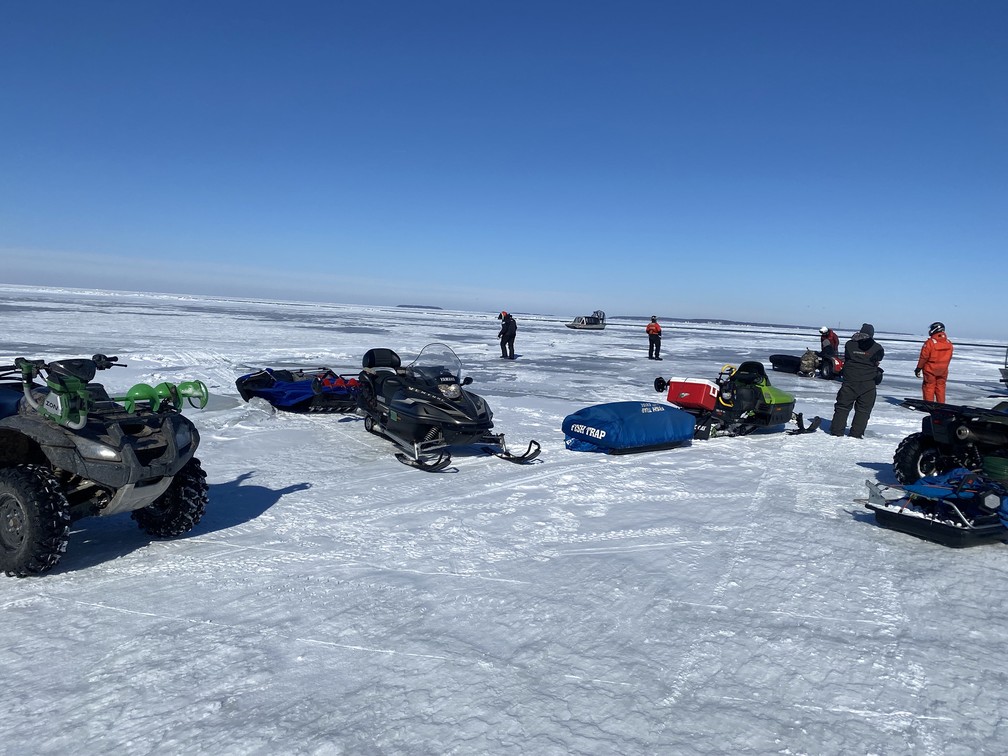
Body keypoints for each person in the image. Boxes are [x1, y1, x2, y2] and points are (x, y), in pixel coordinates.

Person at [830, 323, 884, 439]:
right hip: (868, 382)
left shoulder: (850, 344)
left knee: (842, 407)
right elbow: (878, 359)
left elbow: (848, 356)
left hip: (850, 380)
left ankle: (836, 431)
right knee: (863, 410)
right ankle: (856, 434)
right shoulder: (877, 347)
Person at [915, 321, 953, 403]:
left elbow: (923, 357)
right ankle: (941, 405)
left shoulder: (930, 343)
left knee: (929, 387)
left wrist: (918, 368)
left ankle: (929, 405)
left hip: (930, 369)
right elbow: (949, 356)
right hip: (943, 370)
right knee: (941, 387)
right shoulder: (948, 343)